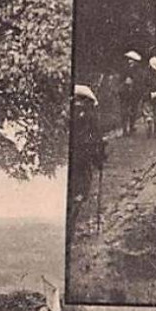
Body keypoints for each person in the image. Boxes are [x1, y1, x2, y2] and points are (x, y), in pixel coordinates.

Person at [69, 85, 106, 222]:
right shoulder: (90, 115)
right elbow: (97, 138)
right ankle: (74, 213)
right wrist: (100, 159)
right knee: (83, 185)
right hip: (83, 157)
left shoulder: (67, 112)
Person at [118, 50, 145, 136]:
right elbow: (120, 79)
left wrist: (132, 81)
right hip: (125, 92)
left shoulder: (138, 70)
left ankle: (131, 126)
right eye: (129, 59)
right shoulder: (125, 69)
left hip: (134, 92)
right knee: (125, 110)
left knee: (133, 109)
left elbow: (140, 81)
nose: (130, 61)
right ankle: (125, 129)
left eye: (132, 60)